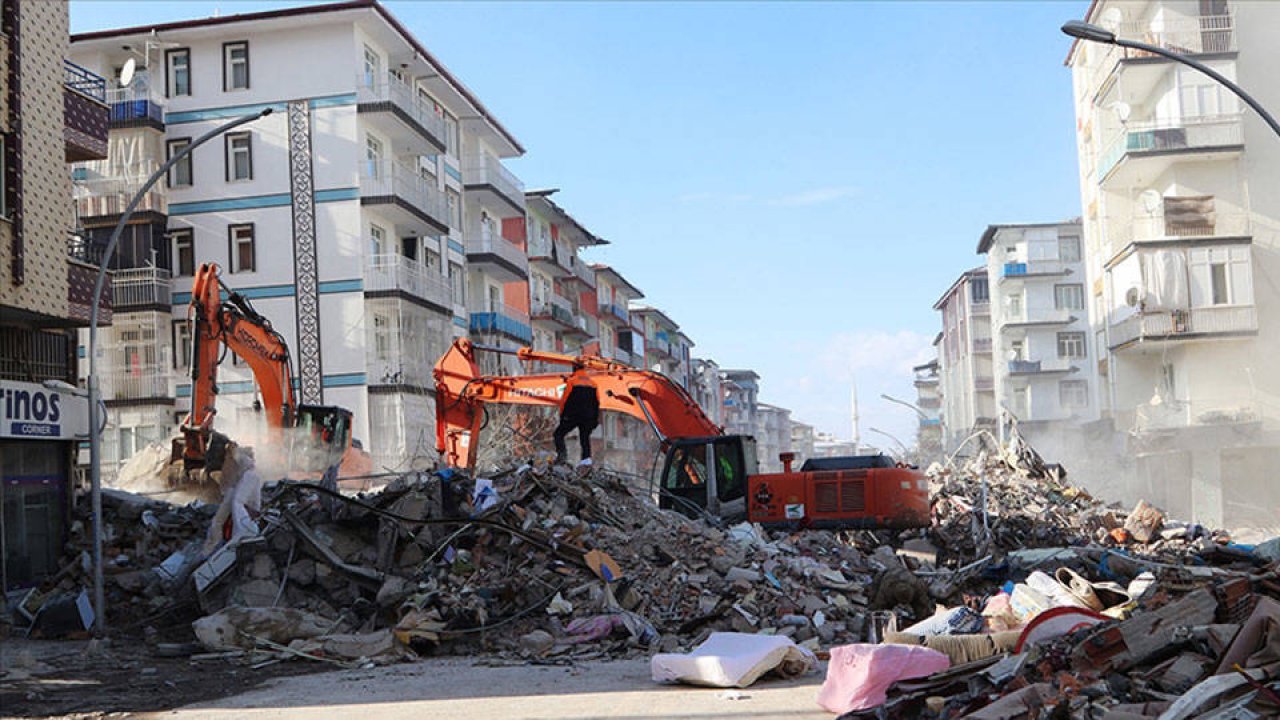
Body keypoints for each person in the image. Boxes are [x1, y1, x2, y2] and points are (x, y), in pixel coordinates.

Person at [553, 367, 600, 467]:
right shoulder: (593, 384)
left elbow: (564, 400)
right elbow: (597, 403)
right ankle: (586, 461)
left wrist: (562, 415)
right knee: (585, 438)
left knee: (558, 434)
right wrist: (595, 420)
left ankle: (562, 457)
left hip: (573, 415)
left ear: (574, 370)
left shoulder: (572, 381)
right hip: (588, 417)